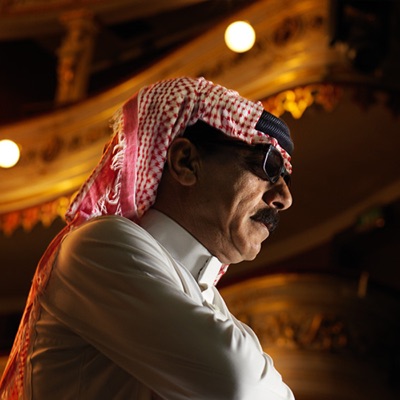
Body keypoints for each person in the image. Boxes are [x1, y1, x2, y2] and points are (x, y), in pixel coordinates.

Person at [0, 77, 295, 399]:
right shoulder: (100, 245)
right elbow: (239, 384)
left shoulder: (210, 300)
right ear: (185, 162)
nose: (284, 198)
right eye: (268, 166)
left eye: (286, 178)